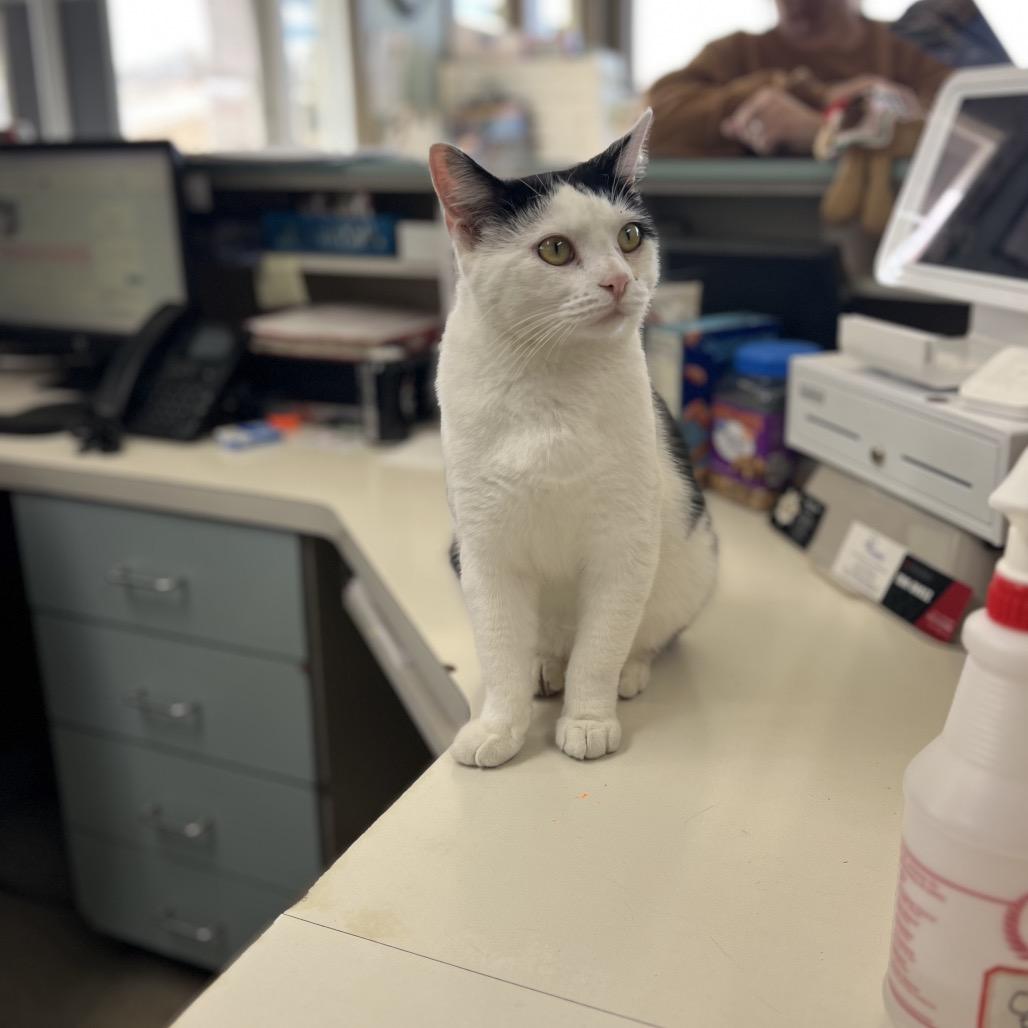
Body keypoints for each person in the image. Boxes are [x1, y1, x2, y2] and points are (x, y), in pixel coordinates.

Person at [647, 0, 953, 158]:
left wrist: (822, 131)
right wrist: (813, 96)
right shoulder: (735, 53)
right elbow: (650, 124)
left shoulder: (912, 46)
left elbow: (968, 134)